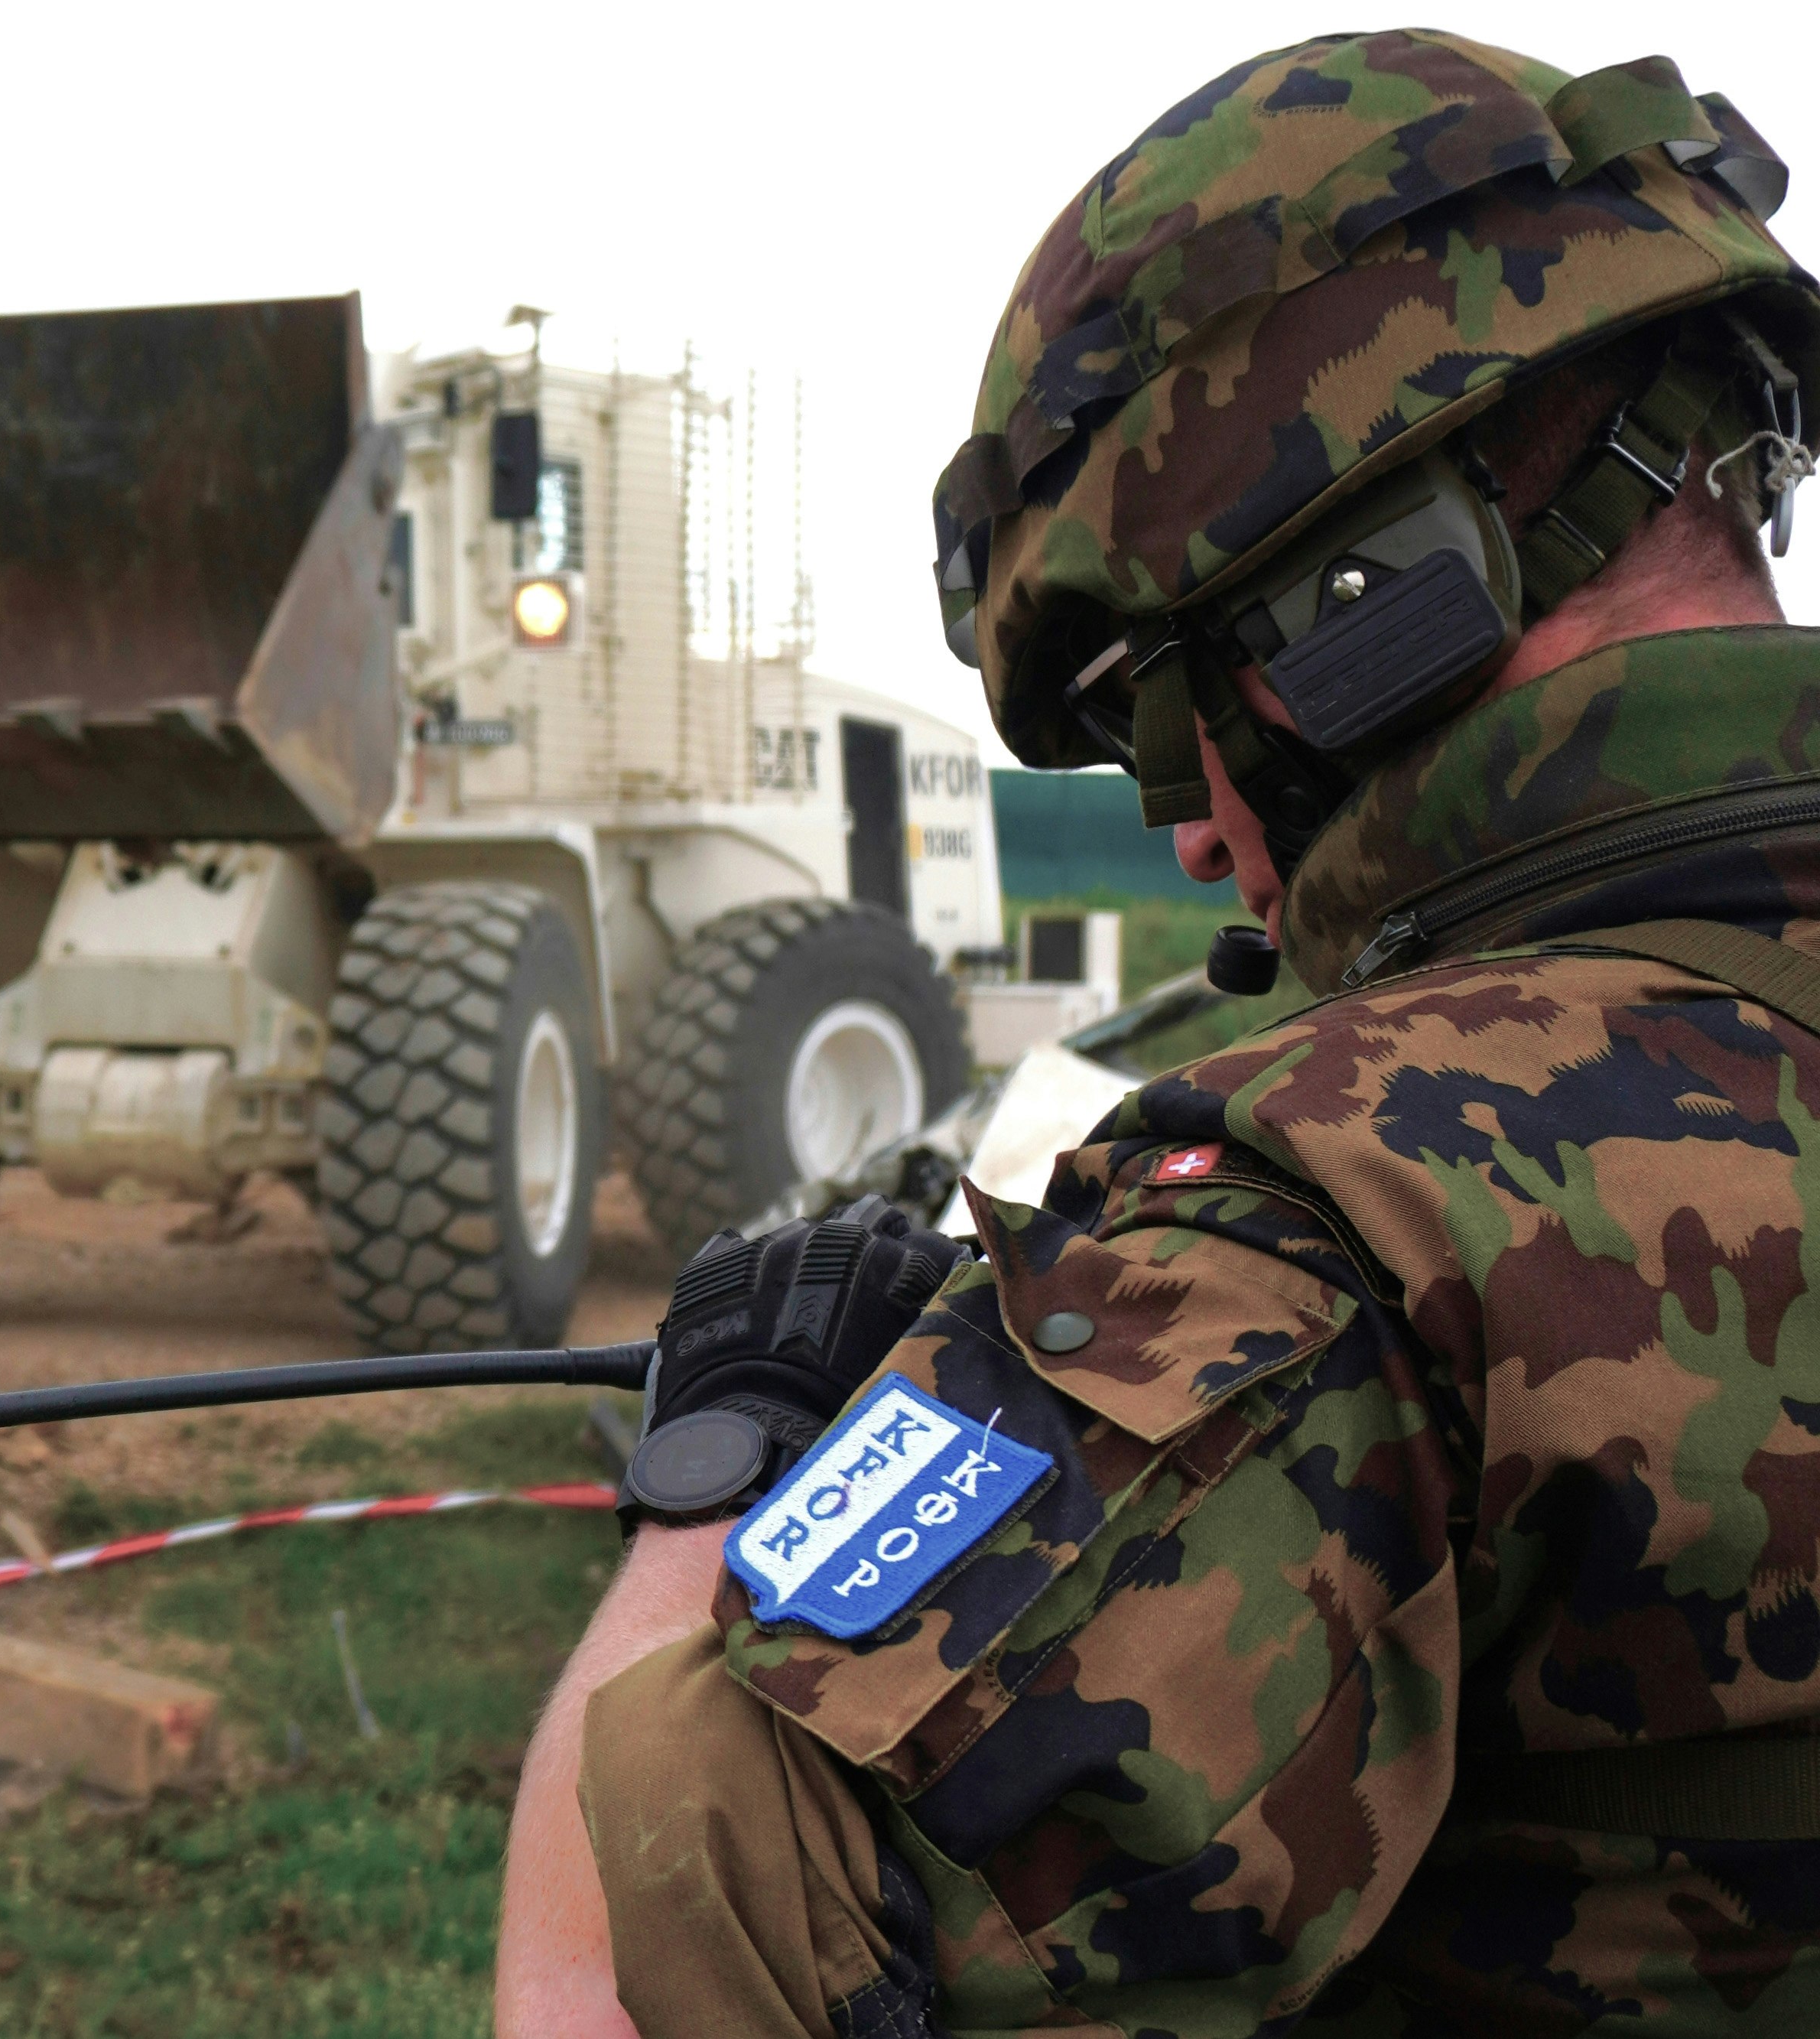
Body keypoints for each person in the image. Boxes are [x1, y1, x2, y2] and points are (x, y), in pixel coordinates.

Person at [496, 29, 1820, 2036]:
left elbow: (634, 1964)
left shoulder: (1324, 1229)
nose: (1189, 828)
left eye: (1148, 705)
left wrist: (724, 1472)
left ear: (1365, 605)